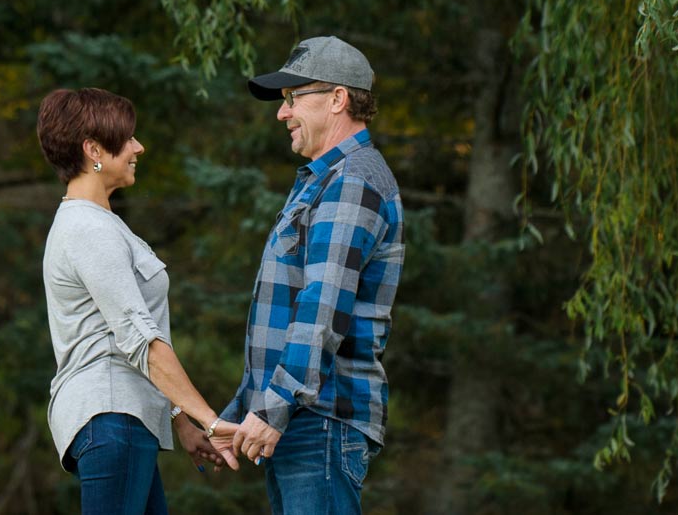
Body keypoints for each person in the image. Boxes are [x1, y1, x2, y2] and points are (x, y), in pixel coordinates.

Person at [216, 36, 406, 515]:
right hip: (303, 421)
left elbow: (322, 307)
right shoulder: (326, 180)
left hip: (320, 423)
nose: (282, 113)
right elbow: (286, 316)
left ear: (338, 99)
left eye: (293, 97)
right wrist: (241, 413)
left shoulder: (353, 180)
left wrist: (273, 408)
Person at [39, 86, 239, 515]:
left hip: (123, 421)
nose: (138, 147)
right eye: (127, 138)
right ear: (94, 149)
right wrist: (211, 420)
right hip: (113, 419)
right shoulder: (90, 231)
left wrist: (179, 422)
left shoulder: (100, 224)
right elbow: (140, 341)